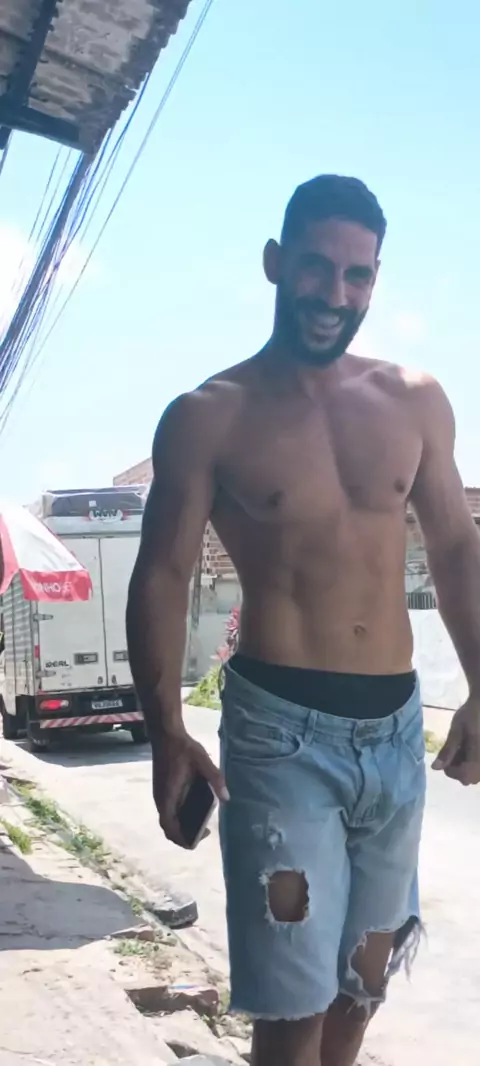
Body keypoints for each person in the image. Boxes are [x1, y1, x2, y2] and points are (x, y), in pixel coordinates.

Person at [126, 174, 480, 1066]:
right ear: (275, 263)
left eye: (357, 275)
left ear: (375, 281)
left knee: (363, 985)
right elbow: (163, 572)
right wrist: (165, 731)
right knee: (292, 1009)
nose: (335, 293)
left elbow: (456, 548)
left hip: (394, 732)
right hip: (279, 735)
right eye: (317, 267)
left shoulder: (415, 400)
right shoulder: (209, 416)